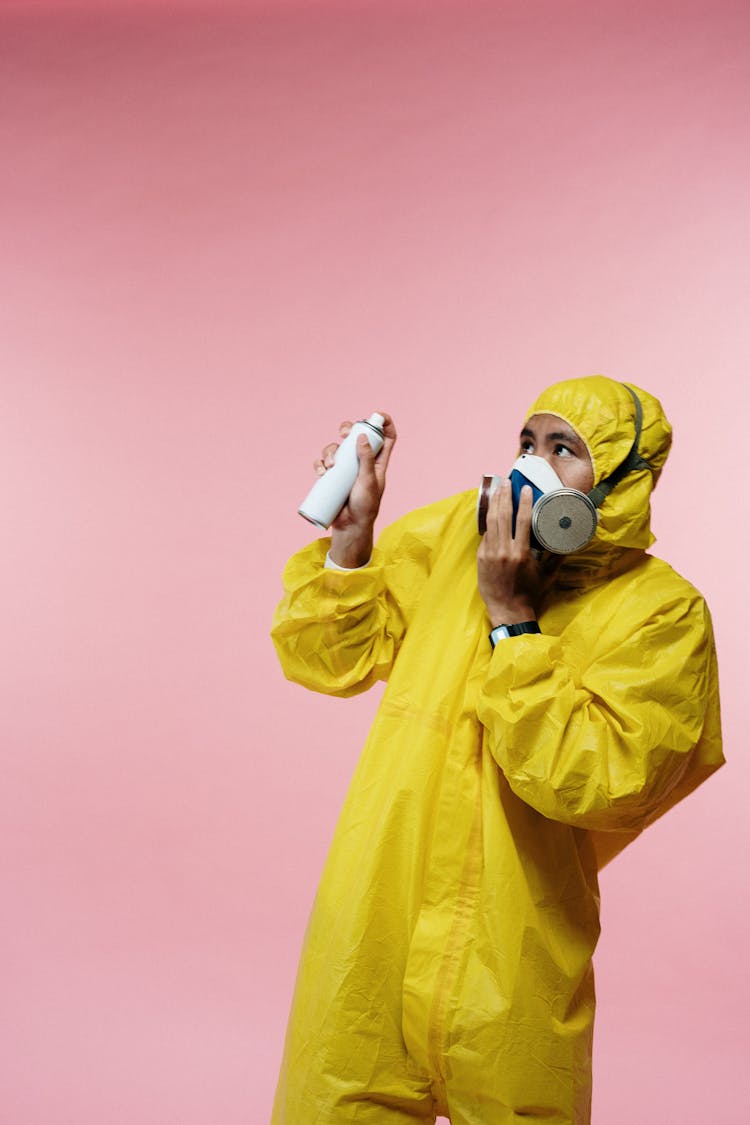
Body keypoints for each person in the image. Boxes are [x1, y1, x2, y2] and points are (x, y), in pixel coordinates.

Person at [270, 375, 723, 1125]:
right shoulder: (455, 536)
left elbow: (600, 783)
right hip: (371, 942)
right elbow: (326, 659)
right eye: (525, 441)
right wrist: (350, 544)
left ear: (622, 482)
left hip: (512, 970)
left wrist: (512, 620)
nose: (530, 465)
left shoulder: (662, 615)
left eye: (563, 449)